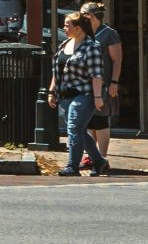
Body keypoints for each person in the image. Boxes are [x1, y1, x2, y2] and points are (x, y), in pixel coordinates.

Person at [47, 11, 110, 177]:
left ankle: (72, 166)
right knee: (79, 130)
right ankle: (99, 161)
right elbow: (56, 71)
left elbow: (96, 74)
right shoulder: (65, 44)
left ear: (79, 28)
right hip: (65, 94)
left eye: (67, 25)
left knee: (73, 127)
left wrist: (97, 98)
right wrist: (51, 91)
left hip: (85, 93)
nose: (64, 27)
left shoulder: (91, 46)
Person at [82, 0, 123, 162]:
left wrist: (114, 82)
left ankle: (102, 156)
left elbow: (117, 60)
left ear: (91, 15)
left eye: (83, 13)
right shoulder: (83, 32)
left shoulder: (108, 33)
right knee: (88, 121)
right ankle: (90, 155)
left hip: (103, 84)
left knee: (100, 120)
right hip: (86, 84)